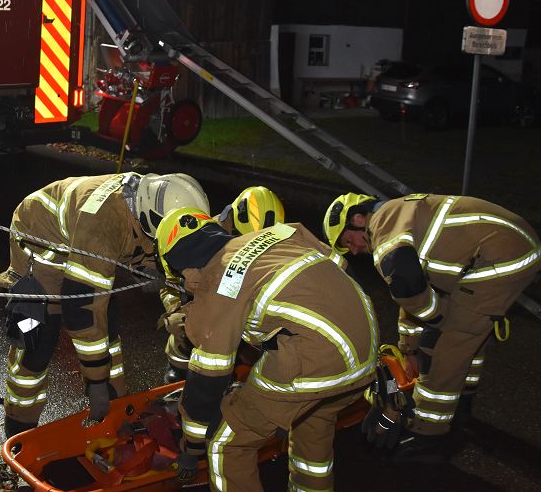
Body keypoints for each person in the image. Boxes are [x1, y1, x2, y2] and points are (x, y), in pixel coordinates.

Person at [156, 208, 377, 492]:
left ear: (183, 269)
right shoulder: (285, 231)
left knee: (227, 443)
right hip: (365, 347)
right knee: (313, 423)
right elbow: (344, 271)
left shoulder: (215, 282)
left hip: (313, 360)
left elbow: (209, 377)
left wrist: (192, 447)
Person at [323, 192, 541, 463]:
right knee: (467, 339)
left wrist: (436, 324)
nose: (355, 251)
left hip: (501, 257)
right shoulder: (398, 216)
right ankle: (460, 406)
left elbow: (408, 288)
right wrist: (409, 349)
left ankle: (427, 438)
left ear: (358, 218)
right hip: (506, 247)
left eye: (349, 241)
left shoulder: (384, 232)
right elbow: (415, 293)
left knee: (444, 347)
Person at [0, 172, 209, 438]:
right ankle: (19, 427)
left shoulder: (160, 201)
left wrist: (159, 280)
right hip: (39, 246)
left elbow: (162, 254)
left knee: (107, 325)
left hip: (86, 241)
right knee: (37, 342)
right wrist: (96, 382)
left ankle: (115, 413)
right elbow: (82, 309)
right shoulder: (103, 223)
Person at [159, 186, 287, 383]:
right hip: (199, 307)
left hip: (239, 311)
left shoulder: (275, 242)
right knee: (182, 325)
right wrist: (176, 308)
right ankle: (179, 369)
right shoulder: (201, 235)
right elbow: (170, 283)